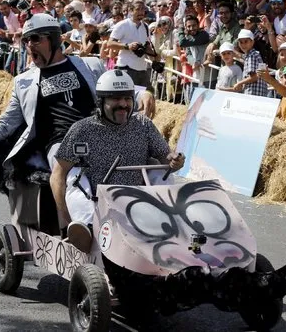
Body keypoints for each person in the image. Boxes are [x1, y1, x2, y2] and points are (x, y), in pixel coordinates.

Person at [0, 13, 156, 196]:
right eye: (26, 40)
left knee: (153, 167)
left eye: (35, 39)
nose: (29, 45)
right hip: (61, 145)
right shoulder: (23, 82)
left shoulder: (90, 65)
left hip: (102, 135)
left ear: (54, 40)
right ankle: (79, 229)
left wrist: (141, 93)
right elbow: (4, 127)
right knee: (77, 180)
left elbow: (116, 89)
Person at [49, 70, 185, 251]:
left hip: (137, 201)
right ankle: (84, 228)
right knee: (74, 174)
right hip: (96, 204)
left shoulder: (143, 124)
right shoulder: (82, 130)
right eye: (115, 99)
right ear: (101, 101)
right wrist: (67, 219)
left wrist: (174, 160)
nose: (123, 104)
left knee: (161, 171)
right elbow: (57, 175)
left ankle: (169, 221)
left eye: (127, 99)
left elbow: (165, 157)